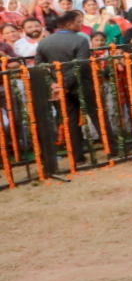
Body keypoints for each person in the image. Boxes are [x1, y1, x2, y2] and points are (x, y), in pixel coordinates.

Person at [30, 10, 93, 177]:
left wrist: (54, 84)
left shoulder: (44, 42)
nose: (82, 24)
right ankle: (114, 148)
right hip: (81, 84)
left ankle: (77, 156)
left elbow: (39, 67)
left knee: (70, 120)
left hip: (58, 87)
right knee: (97, 114)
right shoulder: (80, 40)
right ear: (70, 24)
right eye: (79, 21)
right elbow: (82, 64)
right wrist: (64, 84)